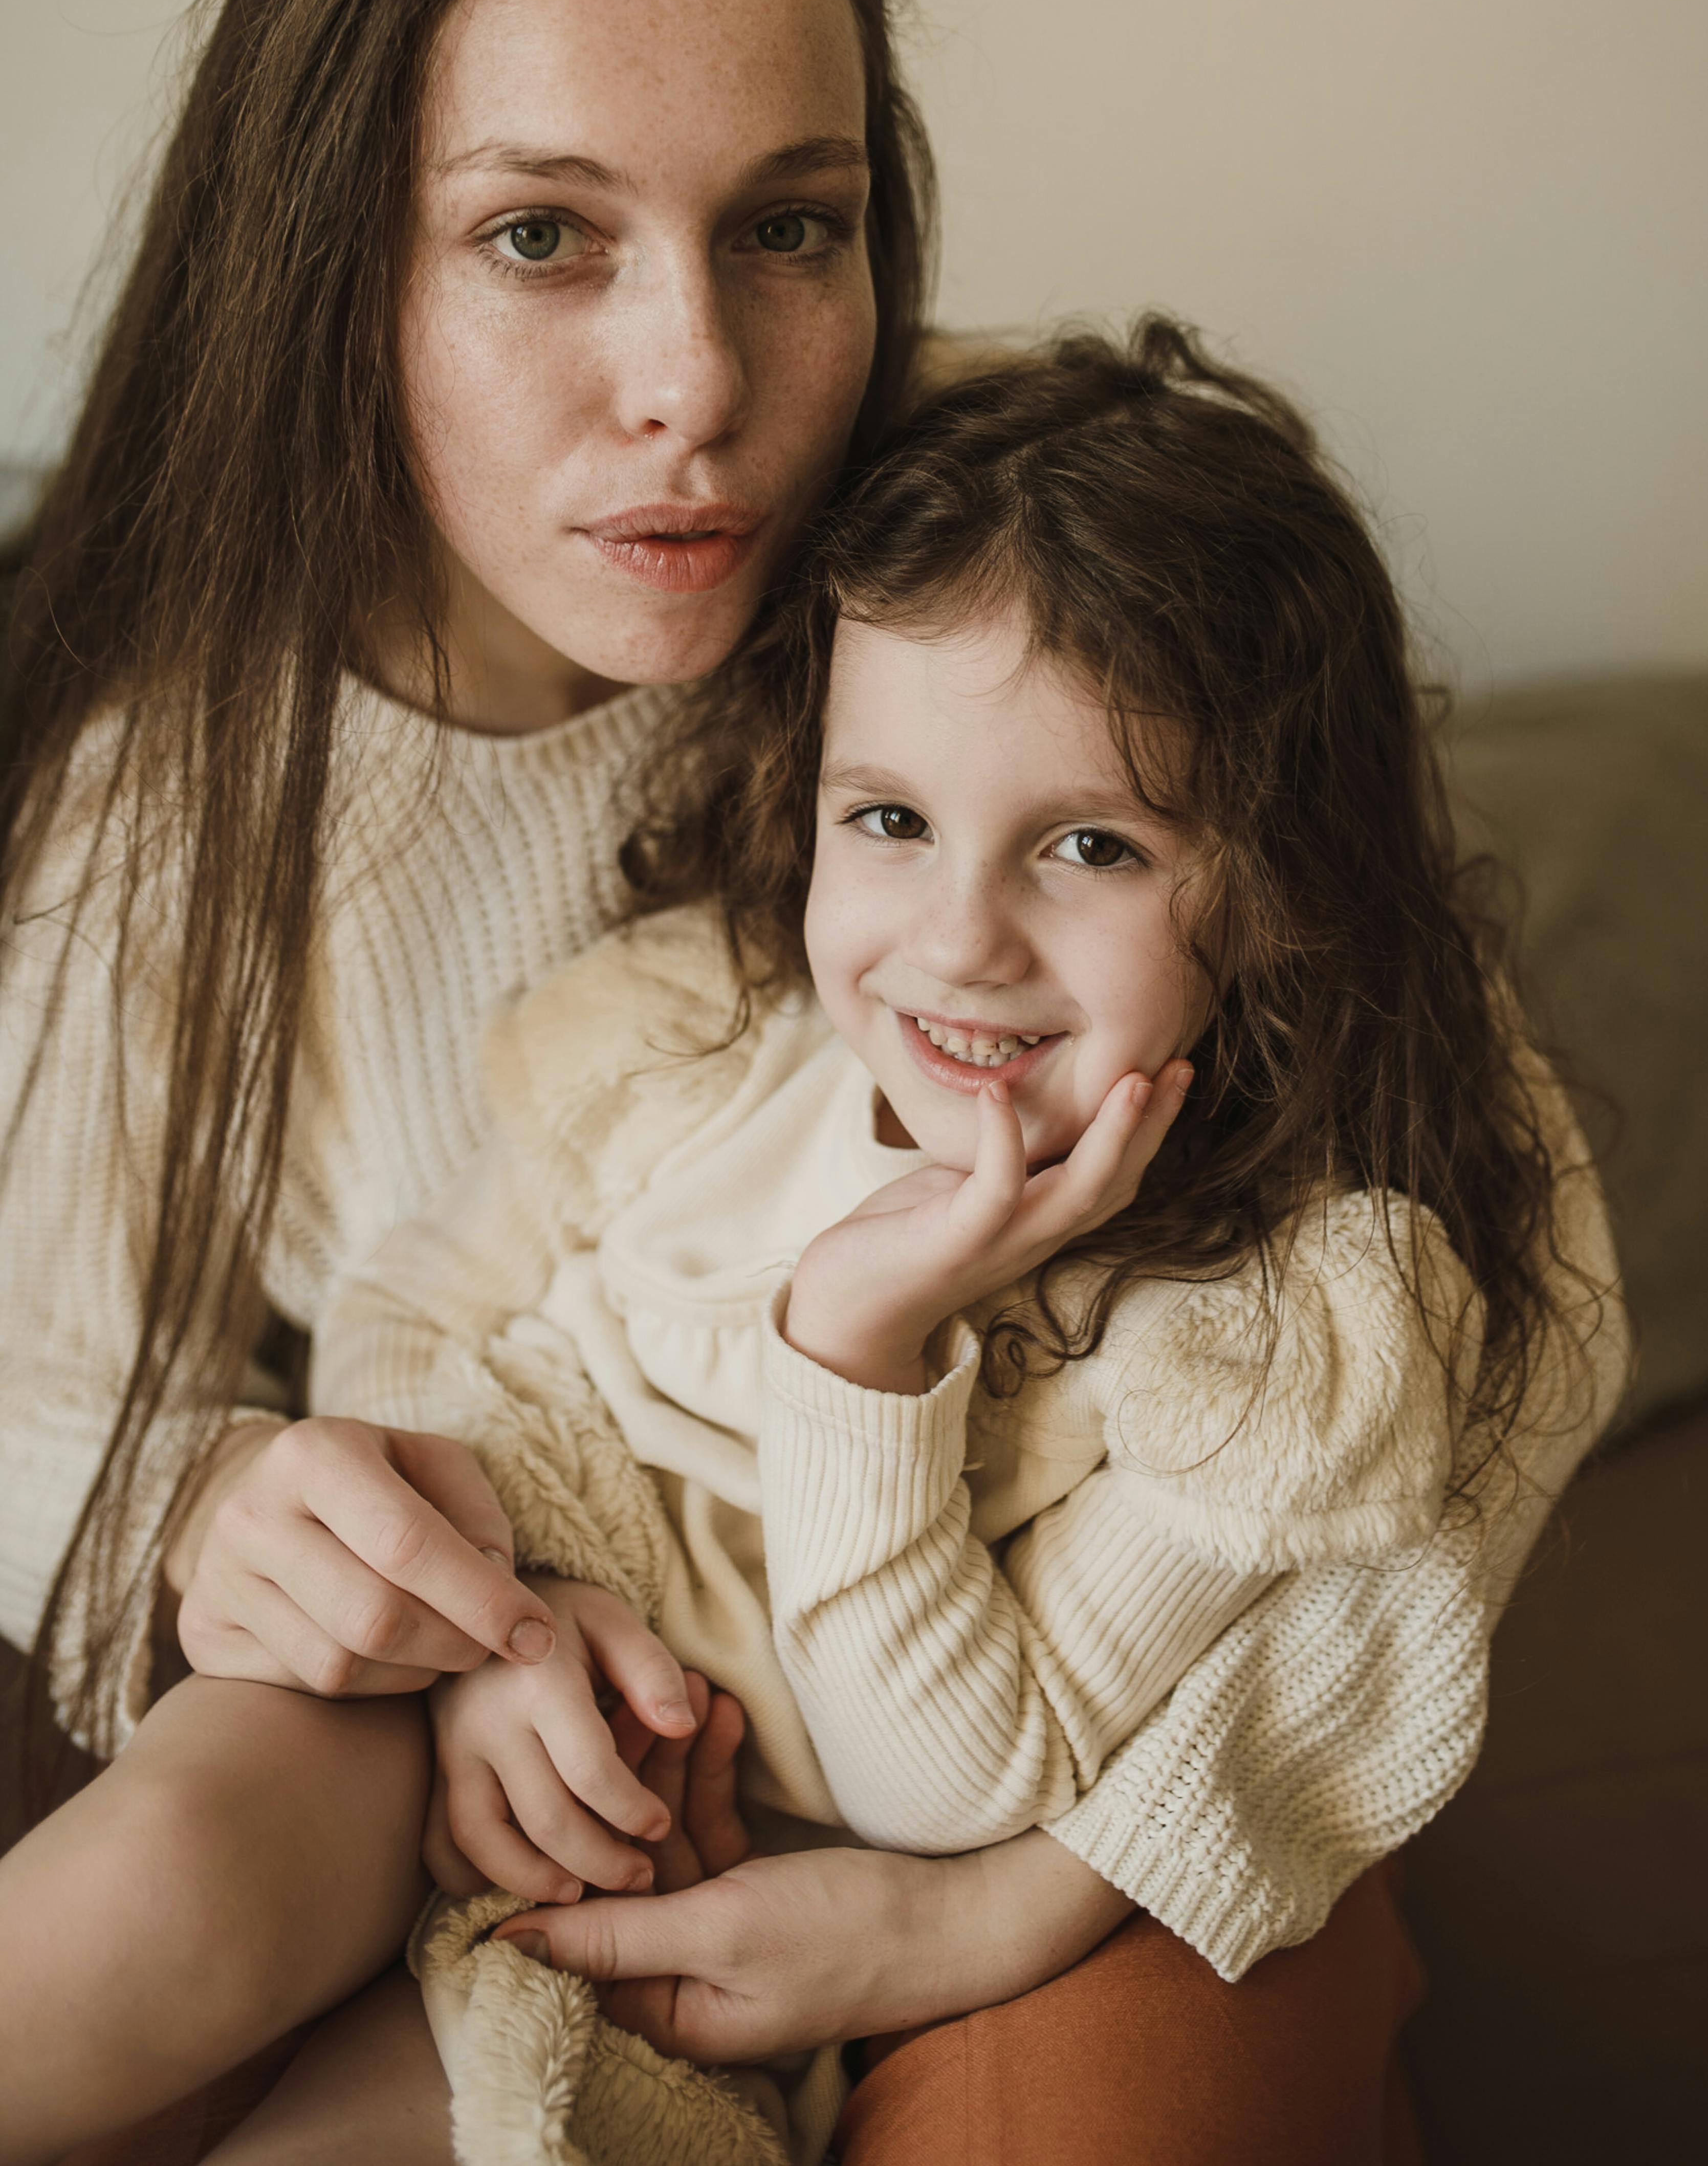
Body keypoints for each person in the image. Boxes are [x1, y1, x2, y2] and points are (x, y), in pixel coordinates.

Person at [0, 0, 1617, 2166]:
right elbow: (45, 1400)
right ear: (336, 267)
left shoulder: (1007, 546)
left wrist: (1019, 1897)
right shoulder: (163, 810)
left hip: (1095, 1738)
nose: (705, 387)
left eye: (792, 224)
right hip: (585, 1695)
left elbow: (1513, 1277)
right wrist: (279, 1524)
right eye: (542, 232)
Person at [202, 319, 1617, 2160]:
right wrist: (477, 1623)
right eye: (888, 821)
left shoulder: (1267, 1336)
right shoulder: (706, 1036)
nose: (961, 941)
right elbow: (411, 1300)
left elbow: (947, 1787)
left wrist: (853, 1354)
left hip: (887, 1867)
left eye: (1091, 849)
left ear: (1278, 888)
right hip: (535, 1761)